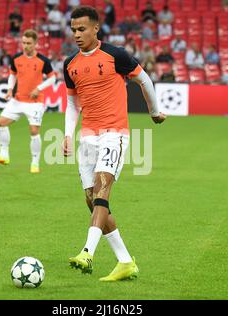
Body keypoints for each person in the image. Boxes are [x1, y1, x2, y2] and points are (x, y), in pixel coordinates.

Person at [63, 6, 165, 281]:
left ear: (96, 28)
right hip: (88, 136)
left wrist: (154, 112)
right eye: (73, 29)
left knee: (102, 189)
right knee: (92, 199)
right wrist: (67, 134)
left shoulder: (115, 55)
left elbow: (143, 79)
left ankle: (87, 252)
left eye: (82, 29)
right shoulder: (70, 64)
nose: (76, 34)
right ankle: (125, 261)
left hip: (115, 133)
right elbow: (73, 103)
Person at [0, 29, 56, 173]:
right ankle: (4, 155)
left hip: (35, 102)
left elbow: (52, 78)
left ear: (35, 43)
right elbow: (12, 74)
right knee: (1, 123)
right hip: (18, 100)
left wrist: (39, 88)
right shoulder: (16, 58)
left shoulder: (43, 60)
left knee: (34, 130)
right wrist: (10, 89)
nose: (25, 46)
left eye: (29, 43)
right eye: (23, 43)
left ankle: (35, 163)